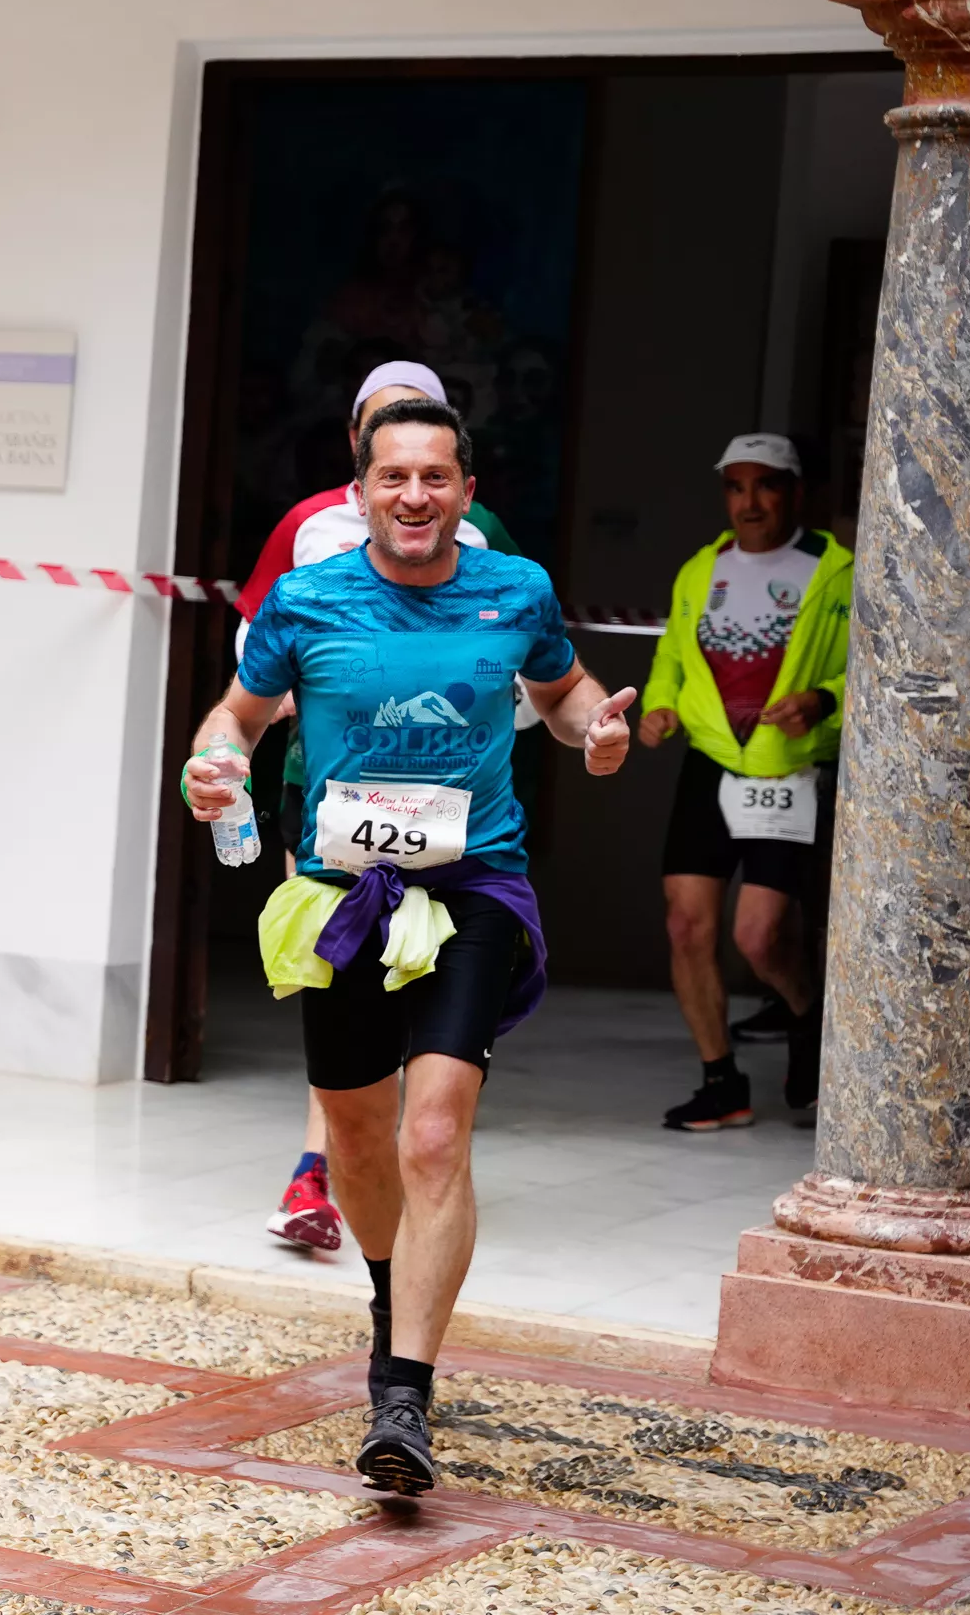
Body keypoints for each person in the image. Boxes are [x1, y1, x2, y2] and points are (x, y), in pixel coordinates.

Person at [184, 398, 634, 1496]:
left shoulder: (513, 592)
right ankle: (393, 1288)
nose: (416, 496)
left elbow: (566, 696)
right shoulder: (307, 598)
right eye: (395, 476)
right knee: (357, 1133)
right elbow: (236, 717)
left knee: (434, 1130)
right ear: (362, 491)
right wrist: (213, 764)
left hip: (476, 883)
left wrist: (598, 734)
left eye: (437, 476)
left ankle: (405, 1393)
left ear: (467, 494)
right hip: (343, 889)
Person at [232, 361, 515, 1259]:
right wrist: (255, 721)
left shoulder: (490, 542)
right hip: (322, 802)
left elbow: (516, 666)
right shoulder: (309, 530)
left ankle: (417, 1167)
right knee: (336, 978)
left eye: (427, 451)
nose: (411, 483)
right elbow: (253, 649)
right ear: (357, 456)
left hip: (451, 821)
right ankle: (325, 1165)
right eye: (382, 437)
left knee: (427, 1030)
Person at [640, 434, 850, 1131]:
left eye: (767, 485)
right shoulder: (702, 569)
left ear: (797, 492)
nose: (750, 502)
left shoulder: (838, 570)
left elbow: (875, 667)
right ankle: (721, 1080)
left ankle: (807, 1020)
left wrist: (823, 699)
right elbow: (672, 655)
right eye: (736, 486)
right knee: (685, 923)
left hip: (786, 767)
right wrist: (658, 706)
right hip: (709, 762)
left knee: (760, 939)